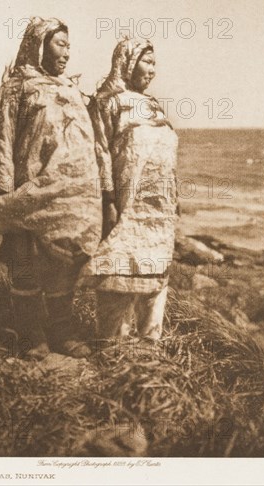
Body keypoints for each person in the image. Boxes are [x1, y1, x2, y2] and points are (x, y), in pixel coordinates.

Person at [0, 17, 102, 359]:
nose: (67, 53)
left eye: (69, 46)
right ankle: (30, 335)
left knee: (64, 267)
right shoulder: (12, 91)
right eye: (60, 44)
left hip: (69, 200)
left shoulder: (69, 91)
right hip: (27, 195)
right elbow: (1, 146)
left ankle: (61, 332)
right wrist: (5, 199)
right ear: (39, 44)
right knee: (25, 266)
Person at [81, 37, 179, 340]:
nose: (152, 70)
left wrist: (174, 198)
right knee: (118, 271)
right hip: (124, 204)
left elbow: (167, 156)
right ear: (128, 62)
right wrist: (108, 200)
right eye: (146, 62)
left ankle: (151, 346)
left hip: (159, 210)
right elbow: (100, 152)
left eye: (154, 63)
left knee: (155, 276)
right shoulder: (107, 101)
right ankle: (112, 346)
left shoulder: (152, 105)